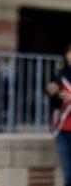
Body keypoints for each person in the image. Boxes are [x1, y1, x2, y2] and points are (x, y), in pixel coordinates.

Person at [48, 45, 71, 186]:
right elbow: (55, 102)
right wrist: (52, 92)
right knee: (68, 174)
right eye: (69, 51)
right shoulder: (60, 75)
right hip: (62, 130)